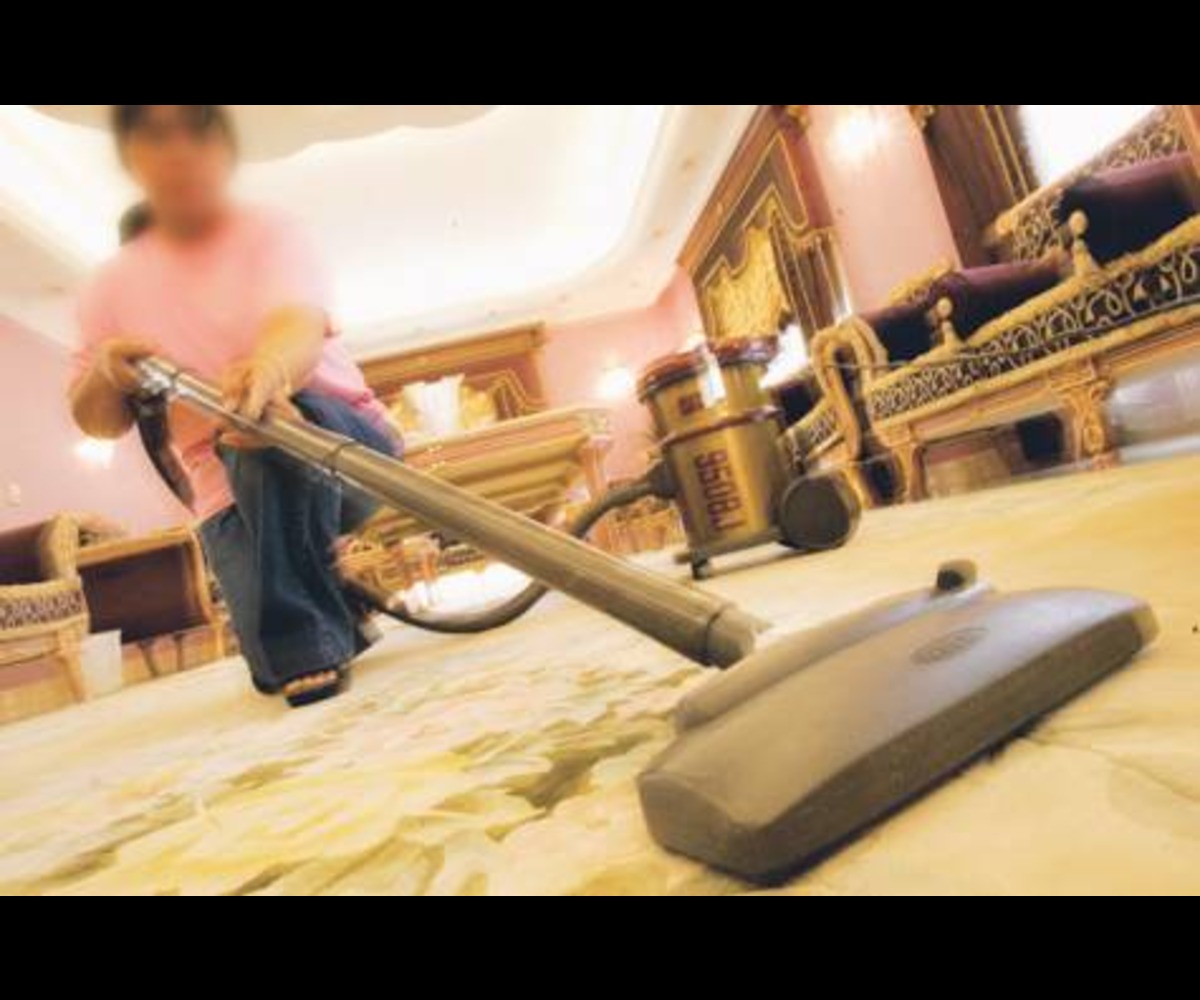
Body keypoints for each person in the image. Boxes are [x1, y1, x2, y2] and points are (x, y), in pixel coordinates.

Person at [70, 105, 399, 708]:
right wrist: (106, 374)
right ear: (128, 154)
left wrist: (269, 370)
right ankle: (326, 600)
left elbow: (296, 323)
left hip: (339, 443)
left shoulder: (271, 234)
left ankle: (308, 643)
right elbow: (96, 419)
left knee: (256, 430)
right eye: (157, 135)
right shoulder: (109, 288)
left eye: (196, 131)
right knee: (267, 661)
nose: (179, 151)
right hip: (223, 491)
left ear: (223, 145)